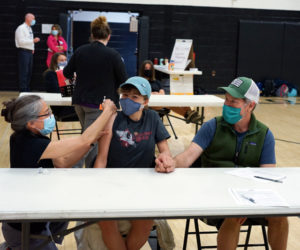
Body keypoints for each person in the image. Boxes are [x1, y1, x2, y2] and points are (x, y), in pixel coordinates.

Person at [155, 77, 289, 250]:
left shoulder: (264, 134)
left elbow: (267, 176)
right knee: (233, 215)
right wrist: (170, 162)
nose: (227, 104)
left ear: (250, 106)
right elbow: (188, 157)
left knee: (280, 217)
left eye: (234, 101)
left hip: (248, 197)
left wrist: (250, 198)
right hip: (214, 197)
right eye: (226, 99)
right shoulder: (213, 126)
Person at [1, 94, 116, 250]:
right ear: (31, 123)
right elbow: (83, 139)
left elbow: (63, 162)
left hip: (34, 219)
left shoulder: (31, 137)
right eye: (46, 113)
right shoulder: (29, 143)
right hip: (24, 229)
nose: (51, 115)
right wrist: (107, 111)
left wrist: (90, 143)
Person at [93, 76, 172, 250]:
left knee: (145, 221)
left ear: (146, 101)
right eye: (125, 95)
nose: (128, 100)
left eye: (135, 97)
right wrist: (97, 187)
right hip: (113, 181)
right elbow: (102, 157)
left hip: (143, 183)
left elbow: (165, 151)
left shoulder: (152, 118)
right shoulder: (113, 118)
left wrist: (165, 159)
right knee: (106, 222)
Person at [63, 16, 127, 169]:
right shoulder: (113, 55)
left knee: (93, 138)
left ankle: (91, 170)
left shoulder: (80, 51)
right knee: (89, 140)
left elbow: (66, 73)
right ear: (108, 36)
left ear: (92, 35)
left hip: (79, 102)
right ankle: (71, 169)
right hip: (100, 105)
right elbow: (124, 80)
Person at [15, 13, 40, 92]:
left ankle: (27, 90)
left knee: (29, 72)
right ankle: (23, 90)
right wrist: (33, 41)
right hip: (23, 52)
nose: (34, 20)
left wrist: (32, 48)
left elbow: (29, 41)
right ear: (28, 18)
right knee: (24, 72)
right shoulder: (21, 28)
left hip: (29, 52)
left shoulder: (29, 28)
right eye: (33, 18)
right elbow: (21, 41)